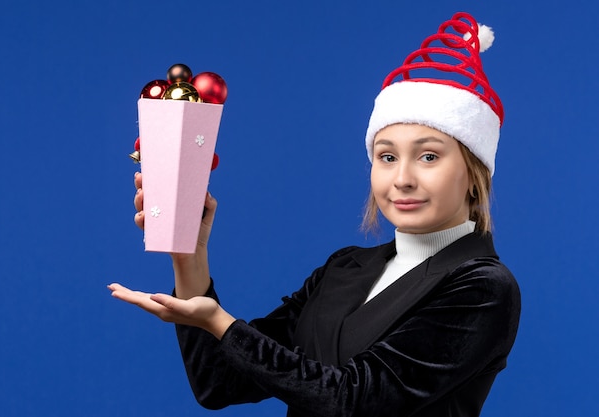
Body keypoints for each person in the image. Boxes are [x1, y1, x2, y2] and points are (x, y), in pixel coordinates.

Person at [109, 12, 521, 417]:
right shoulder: (344, 268)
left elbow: (353, 401)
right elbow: (219, 382)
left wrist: (219, 322)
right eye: (387, 156)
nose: (402, 179)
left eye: (428, 156)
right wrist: (189, 256)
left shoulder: (482, 286)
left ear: (474, 173)